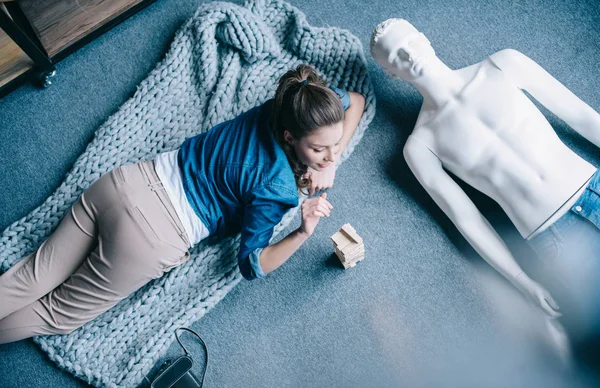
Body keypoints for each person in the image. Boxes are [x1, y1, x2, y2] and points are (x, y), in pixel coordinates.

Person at [0, 64, 366, 344]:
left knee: (33, 274)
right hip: (151, 239)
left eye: (335, 145)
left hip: (123, 183)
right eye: (319, 149)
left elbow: (355, 102)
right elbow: (252, 264)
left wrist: (329, 159)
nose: (331, 154)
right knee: (54, 314)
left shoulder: (289, 105)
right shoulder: (278, 187)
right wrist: (302, 232)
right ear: (291, 136)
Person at [371, 19, 600, 340]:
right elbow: (467, 220)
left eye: (410, 42)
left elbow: (579, 114)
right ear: (390, 73)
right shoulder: (420, 146)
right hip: (555, 235)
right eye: (396, 56)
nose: (409, 55)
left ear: (424, 38)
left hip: (593, 184)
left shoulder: (503, 64)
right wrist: (522, 281)